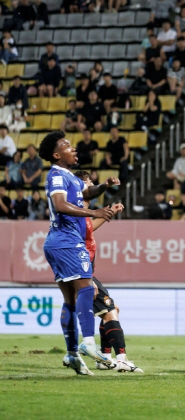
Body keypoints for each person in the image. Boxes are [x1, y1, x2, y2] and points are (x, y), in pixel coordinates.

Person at [38, 130, 118, 375]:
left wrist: (103, 186)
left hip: (60, 242)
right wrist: (94, 213)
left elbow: (86, 193)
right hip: (66, 241)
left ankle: (73, 353)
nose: (73, 149)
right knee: (87, 288)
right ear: (56, 154)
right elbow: (61, 205)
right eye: (67, 146)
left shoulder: (70, 177)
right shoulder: (56, 176)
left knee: (71, 301)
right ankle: (88, 342)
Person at [70, 170, 141, 372]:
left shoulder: (80, 213)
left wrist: (109, 212)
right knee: (110, 313)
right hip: (83, 272)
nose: (92, 186)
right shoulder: (75, 212)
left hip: (85, 272)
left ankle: (105, 357)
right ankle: (122, 359)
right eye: (89, 183)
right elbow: (76, 243)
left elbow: (88, 228)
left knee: (112, 310)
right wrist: (87, 280)